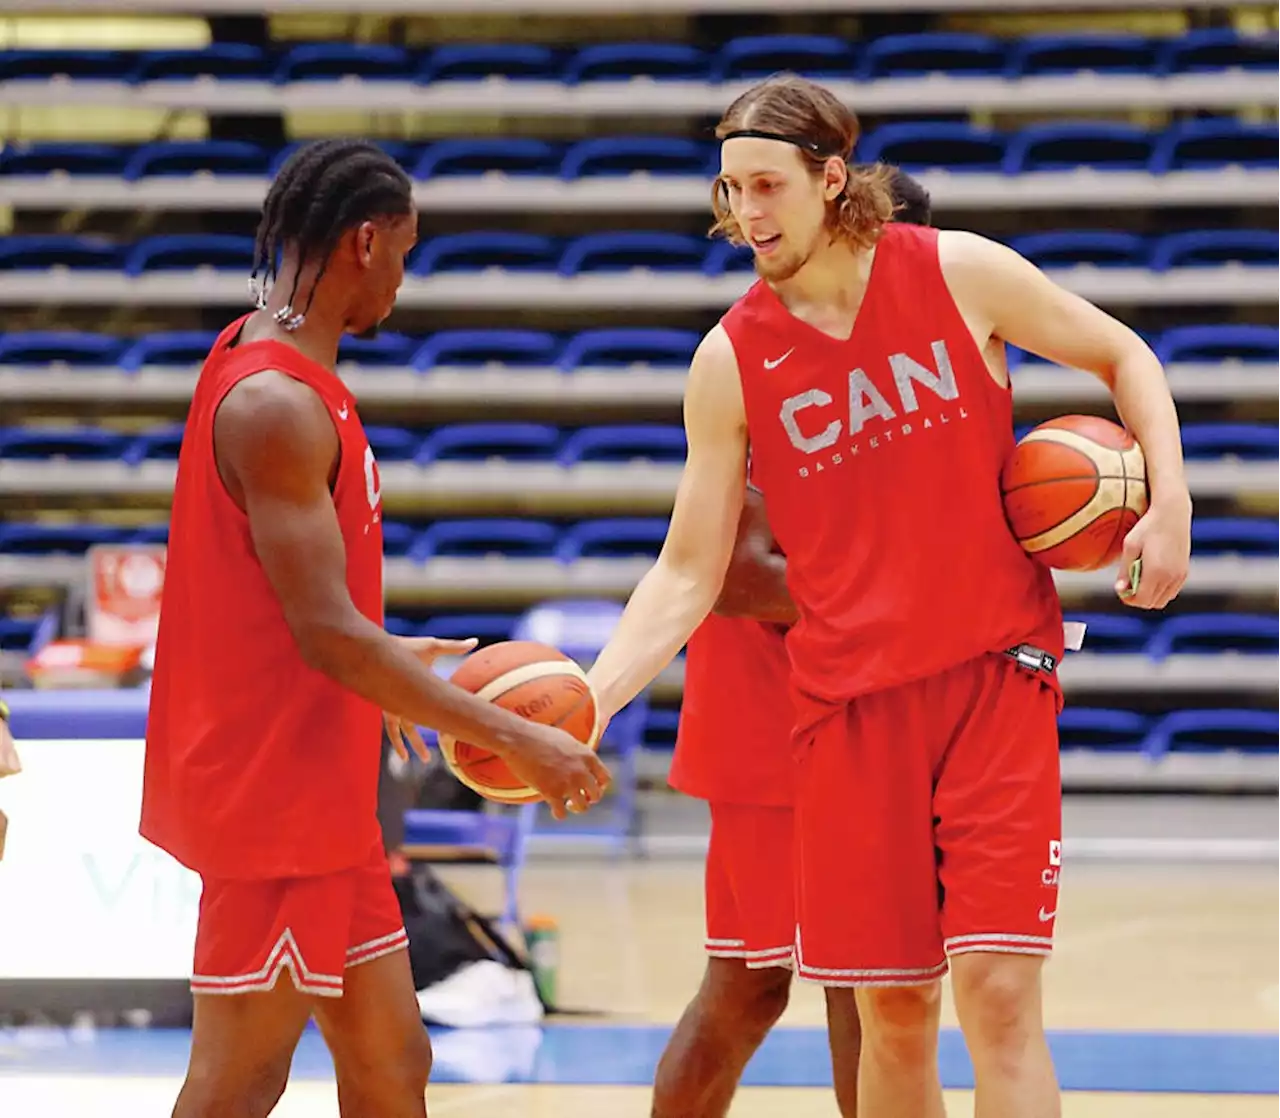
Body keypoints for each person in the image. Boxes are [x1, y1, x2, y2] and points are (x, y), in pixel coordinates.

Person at [586, 75, 1191, 1118]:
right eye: (729, 189)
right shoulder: (729, 359)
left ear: (831, 181)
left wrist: (1168, 499)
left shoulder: (956, 271)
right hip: (846, 714)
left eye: (766, 184)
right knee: (894, 1011)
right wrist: (587, 701)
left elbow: (1120, 351)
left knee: (998, 996)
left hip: (994, 679)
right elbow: (687, 569)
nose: (747, 212)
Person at [141, 138, 611, 1118]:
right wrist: (512, 731)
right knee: (238, 1078)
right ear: (364, 241)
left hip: (323, 790)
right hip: (271, 799)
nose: (403, 274)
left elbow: (308, 613)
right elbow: (326, 636)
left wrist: (392, 659)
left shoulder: (266, 347)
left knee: (393, 1061)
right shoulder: (274, 399)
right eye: (403, 250)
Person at [654, 166, 934, 1118]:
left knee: (856, 982)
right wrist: (899, 592)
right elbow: (731, 576)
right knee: (768, 986)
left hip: (863, 717)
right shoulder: (761, 355)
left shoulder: (912, 364)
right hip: (770, 734)